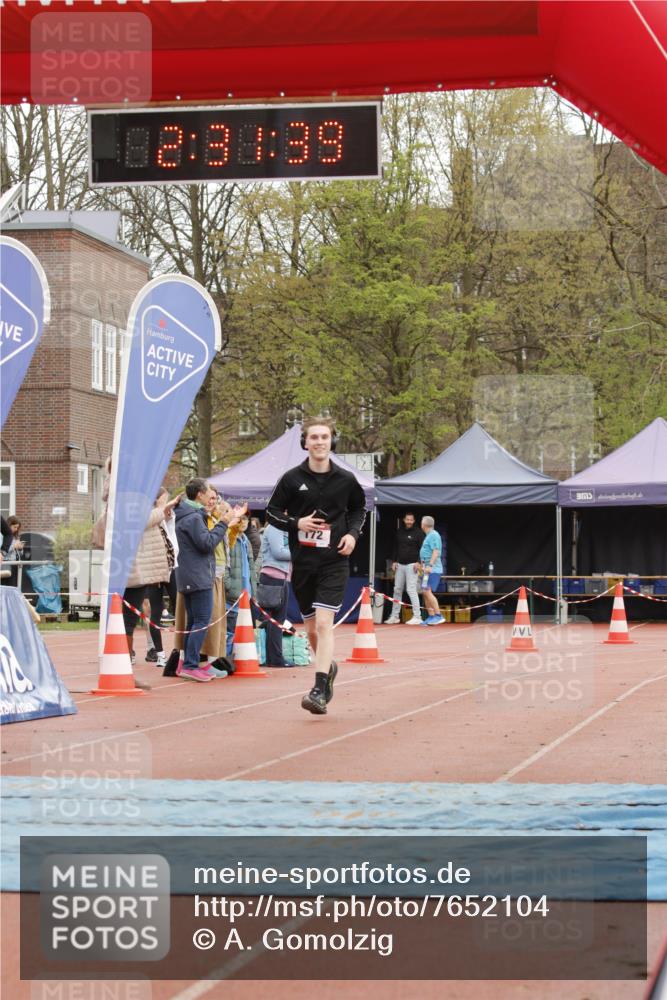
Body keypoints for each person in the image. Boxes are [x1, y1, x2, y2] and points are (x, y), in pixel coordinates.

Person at [266, 415, 366, 715]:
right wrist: (298, 523)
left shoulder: (346, 480)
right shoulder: (291, 479)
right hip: (304, 563)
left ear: (332, 441)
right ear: (305, 442)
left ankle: (319, 689)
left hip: (335, 560)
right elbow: (271, 513)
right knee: (310, 629)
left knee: (324, 624)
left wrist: (351, 534)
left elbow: (359, 509)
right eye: (314, 437)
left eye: (324, 437)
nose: (320, 442)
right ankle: (328, 666)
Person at [175, 478, 246, 682]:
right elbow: (207, 544)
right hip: (199, 576)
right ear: (200, 494)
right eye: (209, 495)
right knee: (201, 620)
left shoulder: (187, 515)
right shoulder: (194, 518)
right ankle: (190, 664)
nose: (211, 500)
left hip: (190, 574)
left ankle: (189, 663)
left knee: (194, 621)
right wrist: (223, 523)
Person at [122, 489, 180, 667]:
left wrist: (167, 512)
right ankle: (155, 652)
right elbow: (143, 523)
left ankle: (175, 651)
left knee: (177, 606)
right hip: (149, 568)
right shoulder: (142, 511)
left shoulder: (159, 514)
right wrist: (163, 507)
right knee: (147, 609)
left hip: (166, 566)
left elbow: (170, 535)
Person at [257, 522, 292, 668]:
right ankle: (274, 658)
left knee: (277, 620)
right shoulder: (275, 528)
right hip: (272, 577)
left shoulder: (282, 528)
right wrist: (299, 552)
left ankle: (274, 657)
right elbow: (279, 552)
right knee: (274, 620)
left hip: (281, 578)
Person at [224, 512, 258, 657]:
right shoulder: (230, 539)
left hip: (245, 593)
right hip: (233, 595)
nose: (244, 522)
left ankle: (233, 660)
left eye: (246, 519)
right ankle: (225, 660)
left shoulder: (245, 540)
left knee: (241, 631)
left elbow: (251, 569)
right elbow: (225, 564)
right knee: (230, 630)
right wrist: (228, 586)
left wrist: (253, 592)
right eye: (241, 519)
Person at [385, 511, 425, 624]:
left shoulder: (419, 533)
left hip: (413, 565)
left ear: (414, 521)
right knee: (397, 589)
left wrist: (419, 562)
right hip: (400, 564)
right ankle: (395, 616)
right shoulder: (399, 532)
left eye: (411, 520)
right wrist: (394, 561)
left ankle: (417, 616)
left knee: (411, 589)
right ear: (404, 520)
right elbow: (395, 547)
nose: (409, 521)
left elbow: (423, 549)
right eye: (407, 519)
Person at [417, 515, 445, 625]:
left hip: (433, 570)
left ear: (423, 525)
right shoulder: (429, 535)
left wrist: (430, 565)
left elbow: (436, 551)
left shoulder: (433, 535)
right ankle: (431, 616)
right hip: (427, 569)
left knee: (427, 591)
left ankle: (438, 615)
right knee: (424, 591)